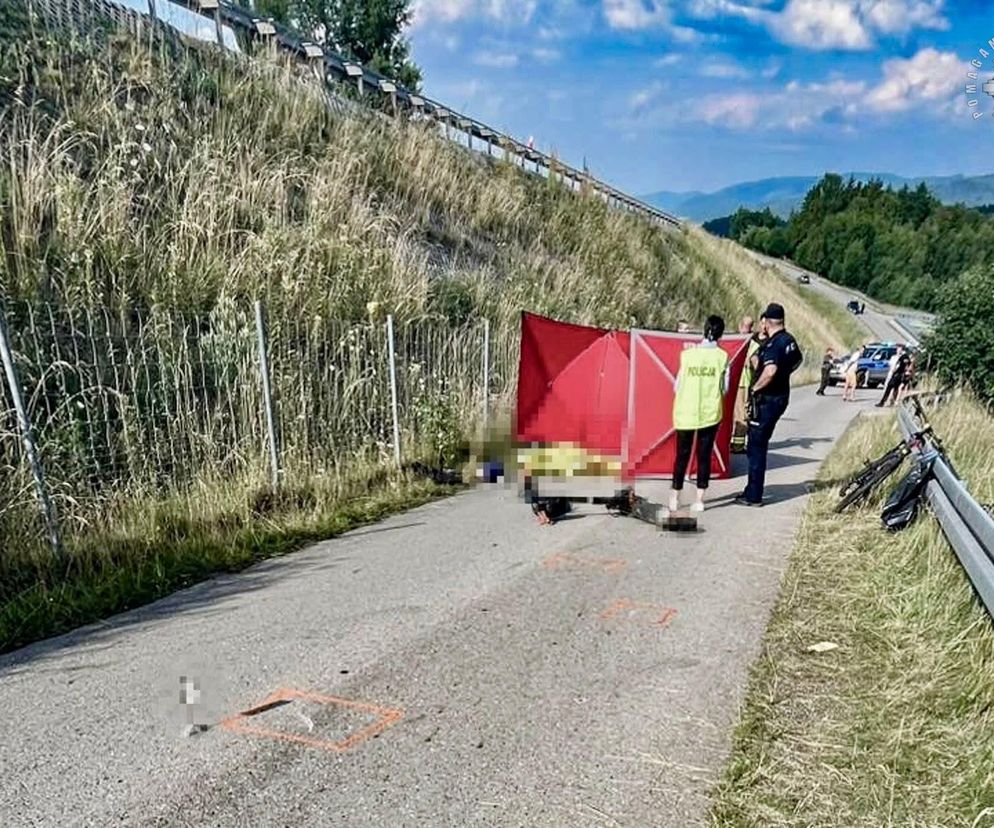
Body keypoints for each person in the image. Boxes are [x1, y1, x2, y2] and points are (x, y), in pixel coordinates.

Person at [735, 303, 802, 507]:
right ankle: (751, 488)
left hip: (768, 399)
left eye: (762, 321)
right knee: (758, 444)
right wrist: (758, 361)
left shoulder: (774, 343)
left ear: (767, 322)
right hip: (780, 397)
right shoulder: (789, 340)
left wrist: (755, 388)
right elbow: (796, 361)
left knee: (756, 447)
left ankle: (754, 495)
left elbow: (770, 371)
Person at [669, 315, 730, 513]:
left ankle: (675, 497)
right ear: (720, 333)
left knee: (682, 455)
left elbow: (677, 385)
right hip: (709, 412)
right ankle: (699, 500)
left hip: (686, 411)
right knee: (703, 455)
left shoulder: (687, 355)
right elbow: (725, 388)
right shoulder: (722, 357)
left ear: (704, 330)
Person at [731, 316, 760, 453]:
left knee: (735, 415)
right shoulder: (752, 345)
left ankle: (733, 442)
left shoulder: (732, 341)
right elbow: (757, 366)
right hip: (742, 384)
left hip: (732, 383)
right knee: (742, 416)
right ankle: (737, 445)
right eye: (749, 326)